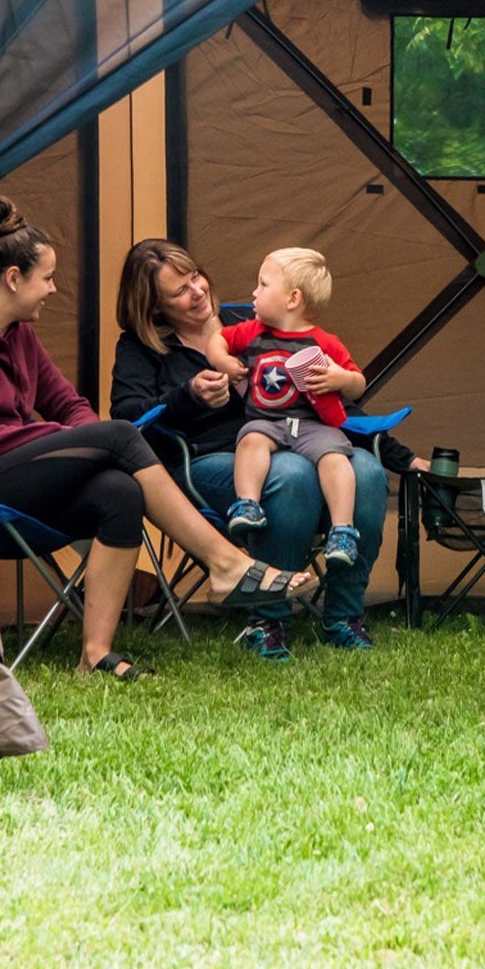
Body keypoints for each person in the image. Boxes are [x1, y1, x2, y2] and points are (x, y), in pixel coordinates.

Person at [0, 198, 311, 684]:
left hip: (24, 478)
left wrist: (87, 446)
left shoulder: (19, 335)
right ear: (13, 279)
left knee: (119, 490)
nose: (53, 288)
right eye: (46, 278)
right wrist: (75, 439)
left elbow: (68, 404)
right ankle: (226, 563)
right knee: (117, 434)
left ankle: (95, 653)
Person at [110, 238, 391, 662]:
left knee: (367, 472)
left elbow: (333, 395)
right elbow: (127, 416)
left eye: (196, 277)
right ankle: (267, 621)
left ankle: (344, 617)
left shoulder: (251, 320)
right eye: (180, 290)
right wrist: (188, 394)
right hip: (207, 459)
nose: (198, 291)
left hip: (297, 439)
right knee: (291, 475)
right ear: (154, 307)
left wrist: (400, 454)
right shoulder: (141, 347)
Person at [212, 248, 366, 570]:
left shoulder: (325, 343)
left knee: (335, 458)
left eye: (263, 284)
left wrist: (341, 378)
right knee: (250, 440)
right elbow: (217, 340)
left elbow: (358, 383)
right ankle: (248, 504)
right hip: (266, 421)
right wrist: (223, 361)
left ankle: (342, 530)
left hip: (313, 425)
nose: (254, 293)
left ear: (293, 299)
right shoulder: (252, 331)